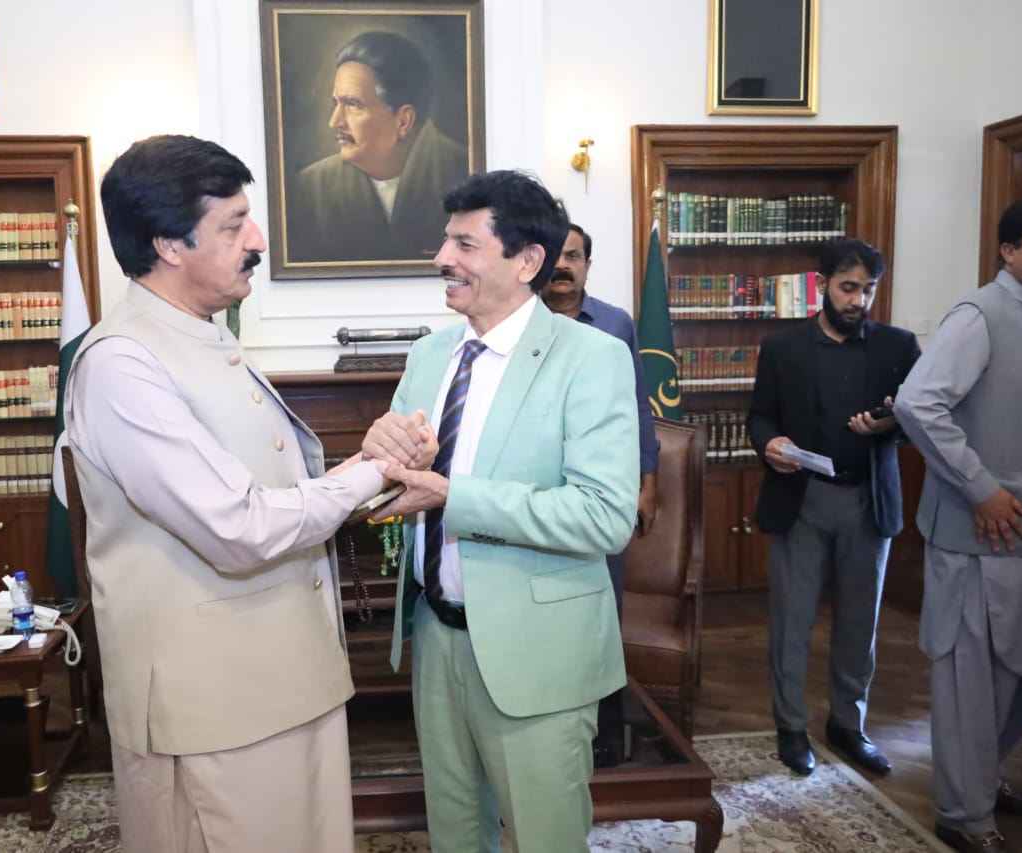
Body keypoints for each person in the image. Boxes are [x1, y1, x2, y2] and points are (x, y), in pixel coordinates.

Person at [64, 134, 431, 852]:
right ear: (168, 244)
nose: (257, 240)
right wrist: (373, 468)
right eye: (234, 225)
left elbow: (274, 488)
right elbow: (239, 526)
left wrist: (369, 471)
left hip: (277, 677)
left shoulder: (200, 336)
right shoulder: (121, 365)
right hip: (214, 700)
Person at [365, 170, 640, 853]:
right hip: (435, 639)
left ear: (527, 261)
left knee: (546, 839)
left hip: (538, 654)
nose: (442, 258)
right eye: (445, 241)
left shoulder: (593, 358)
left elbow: (605, 515)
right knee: (455, 834)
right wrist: (378, 456)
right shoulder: (429, 355)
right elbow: (396, 475)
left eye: (464, 244)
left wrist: (454, 496)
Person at [746, 237, 920, 778]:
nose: (857, 300)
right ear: (821, 285)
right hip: (801, 498)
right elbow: (760, 417)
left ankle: (848, 724)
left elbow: (922, 420)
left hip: (868, 499)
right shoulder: (782, 348)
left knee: (859, 624)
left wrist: (891, 425)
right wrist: (769, 444)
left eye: (868, 290)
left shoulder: (899, 347)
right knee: (792, 621)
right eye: (848, 288)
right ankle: (791, 727)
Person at [893, 198, 1022, 853]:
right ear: (1009, 249)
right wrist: (982, 488)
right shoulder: (981, 314)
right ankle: (963, 815)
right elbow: (919, 404)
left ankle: (981, 782)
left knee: (1017, 683)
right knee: (972, 683)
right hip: (978, 540)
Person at [541, 221, 660, 766]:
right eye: (556, 255)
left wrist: (648, 481)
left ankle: (606, 733)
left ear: (588, 265)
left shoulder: (615, 325)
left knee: (603, 610)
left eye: (574, 256)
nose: (564, 265)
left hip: (606, 491)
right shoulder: (522, 321)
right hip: (543, 491)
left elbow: (638, 407)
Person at [288, 30, 469, 264]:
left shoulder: (462, 172)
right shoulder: (312, 189)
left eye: (353, 105)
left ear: (403, 120)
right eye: (337, 104)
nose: (335, 121)